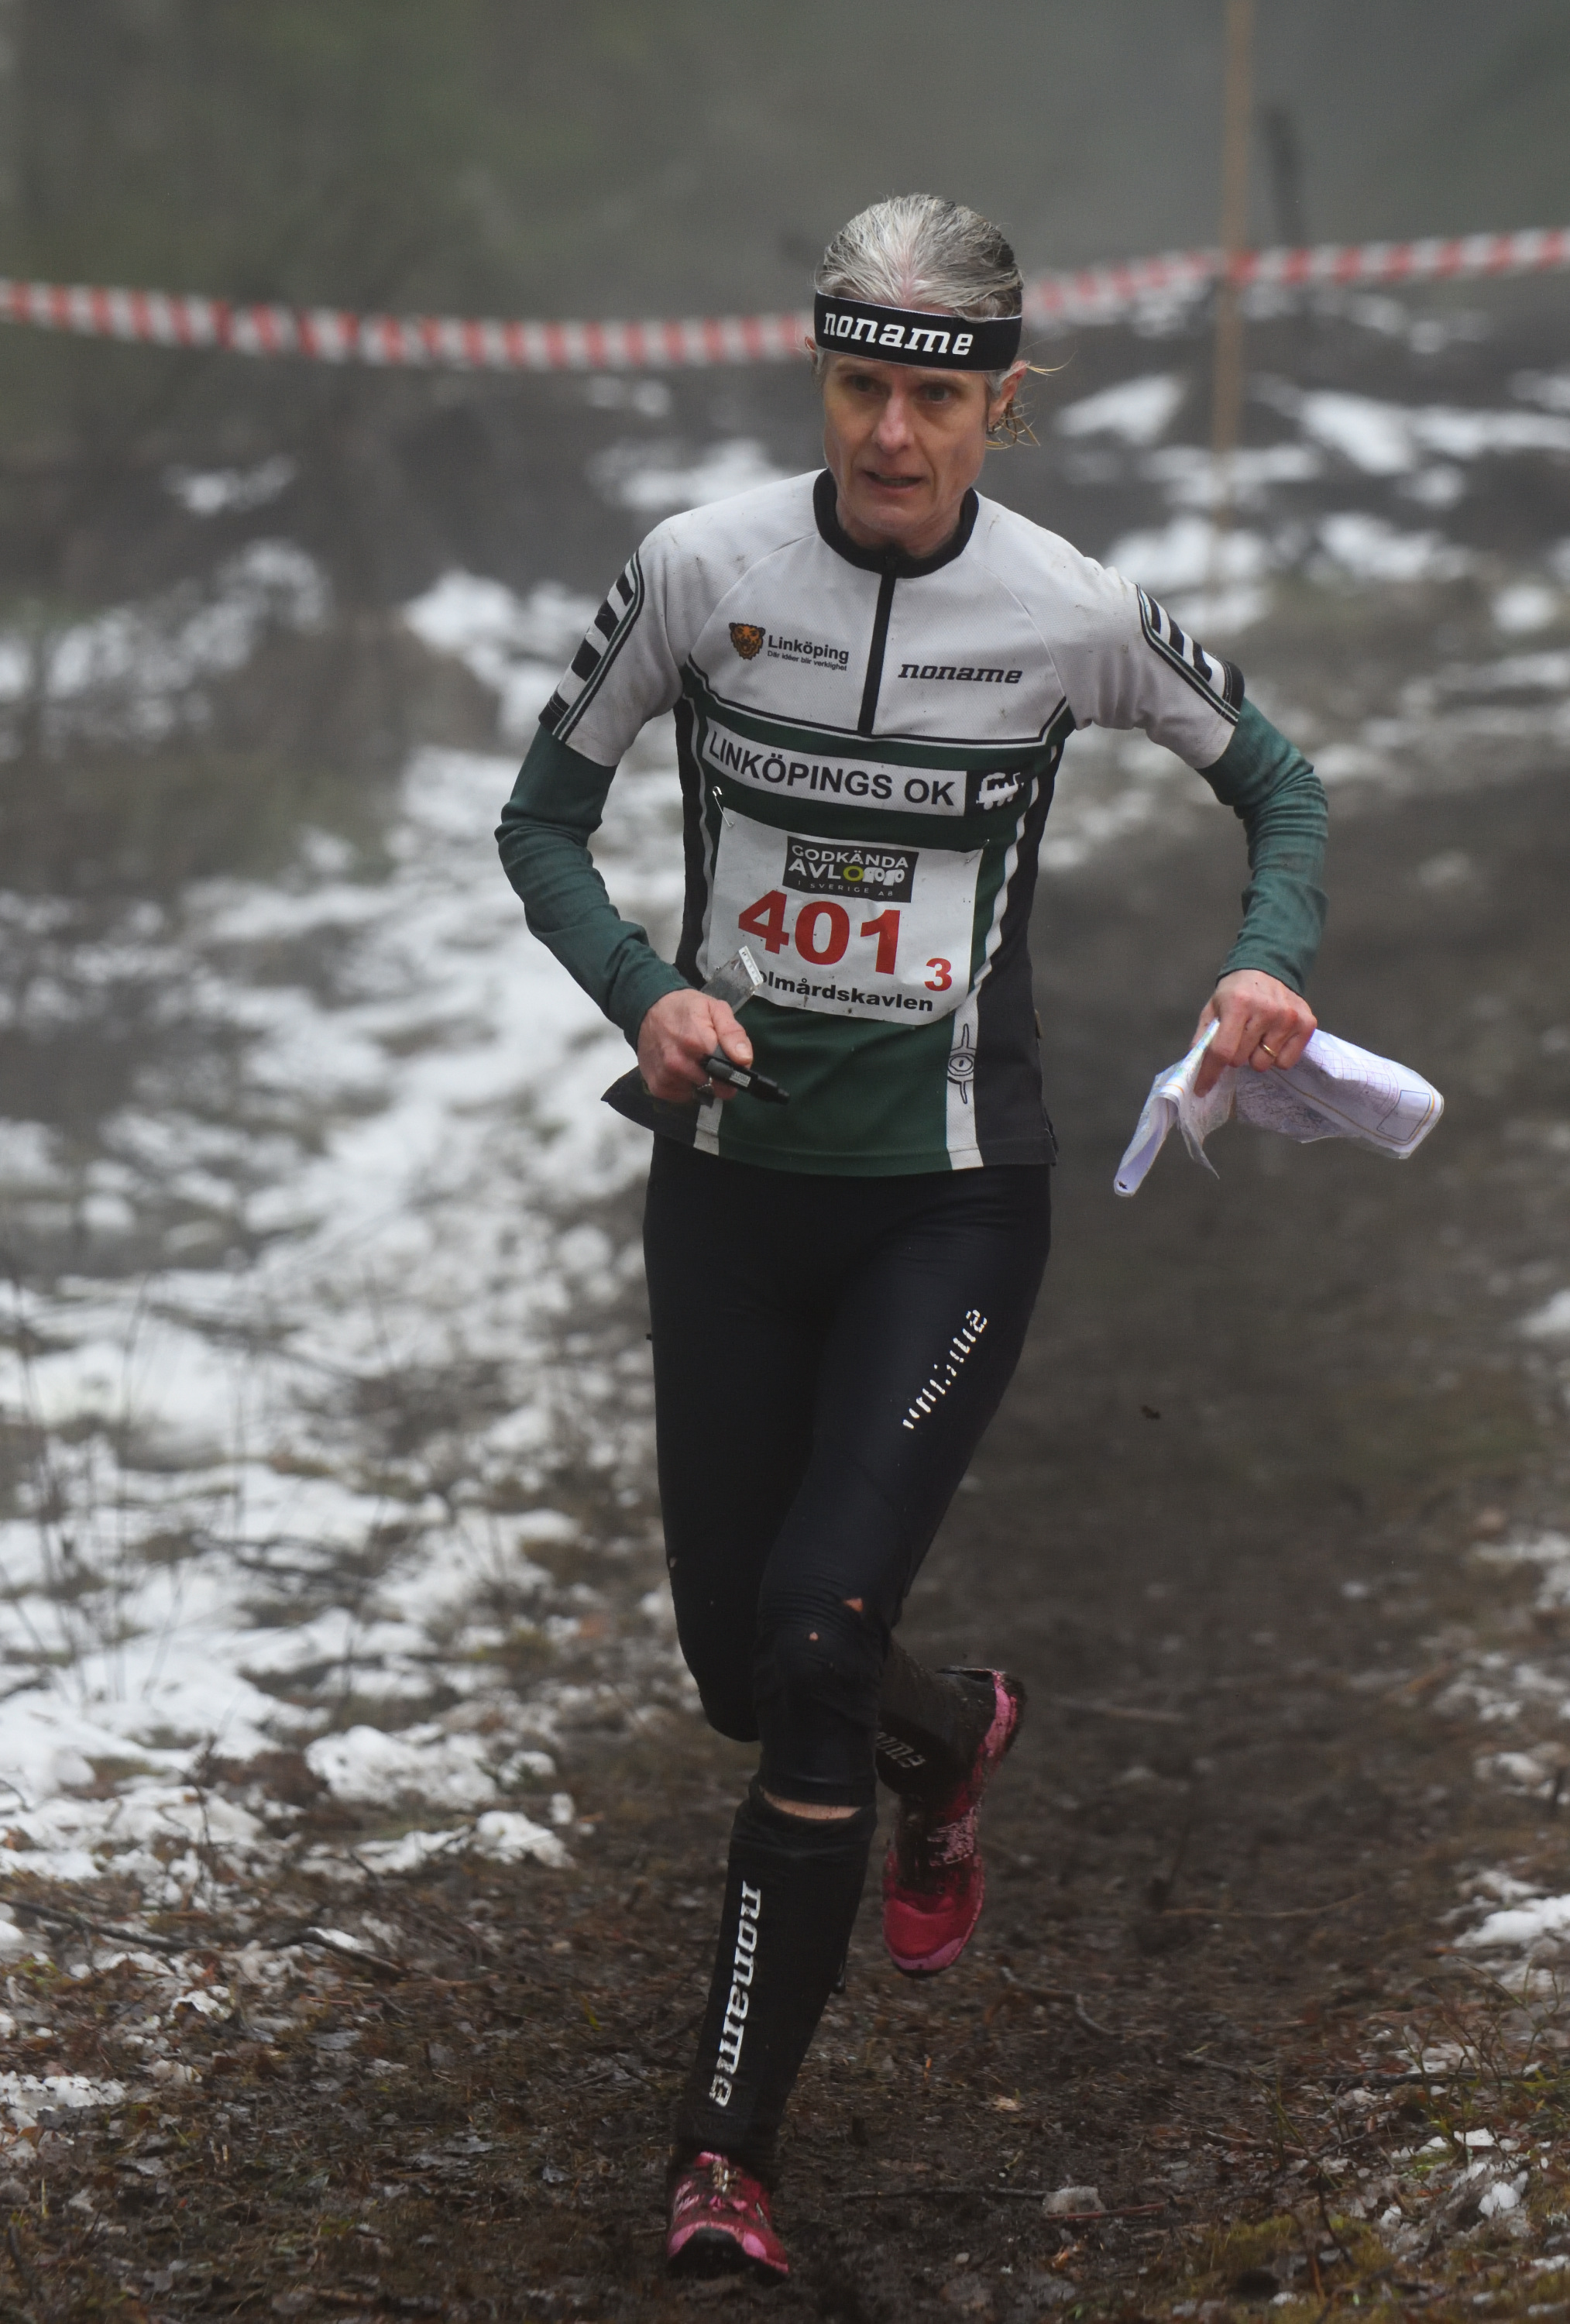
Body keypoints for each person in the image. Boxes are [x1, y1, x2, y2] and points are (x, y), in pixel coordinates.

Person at [497, 193, 1325, 2280]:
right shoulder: (700, 574)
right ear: (822, 381)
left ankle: (724, 2163)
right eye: (861, 389)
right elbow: (540, 820)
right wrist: (642, 992)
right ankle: (947, 1729)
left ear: (998, 405)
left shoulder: (1065, 609)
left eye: (935, 402)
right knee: (738, 1664)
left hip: (952, 1207)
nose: (892, 435)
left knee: (807, 1655)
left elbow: (1284, 788)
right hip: (728, 1195)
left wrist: (1266, 961)